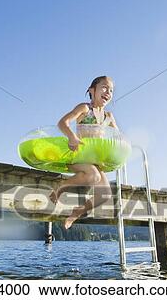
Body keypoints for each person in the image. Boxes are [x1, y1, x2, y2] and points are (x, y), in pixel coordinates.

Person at [49, 76, 118, 229]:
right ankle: (60, 187)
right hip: (78, 156)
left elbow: (117, 138)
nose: (108, 92)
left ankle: (77, 212)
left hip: (94, 161)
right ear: (92, 90)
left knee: (104, 195)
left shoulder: (109, 117)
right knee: (93, 176)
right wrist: (72, 137)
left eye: (111, 90)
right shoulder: (85, 108)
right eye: (104, 87)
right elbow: (62, 123)